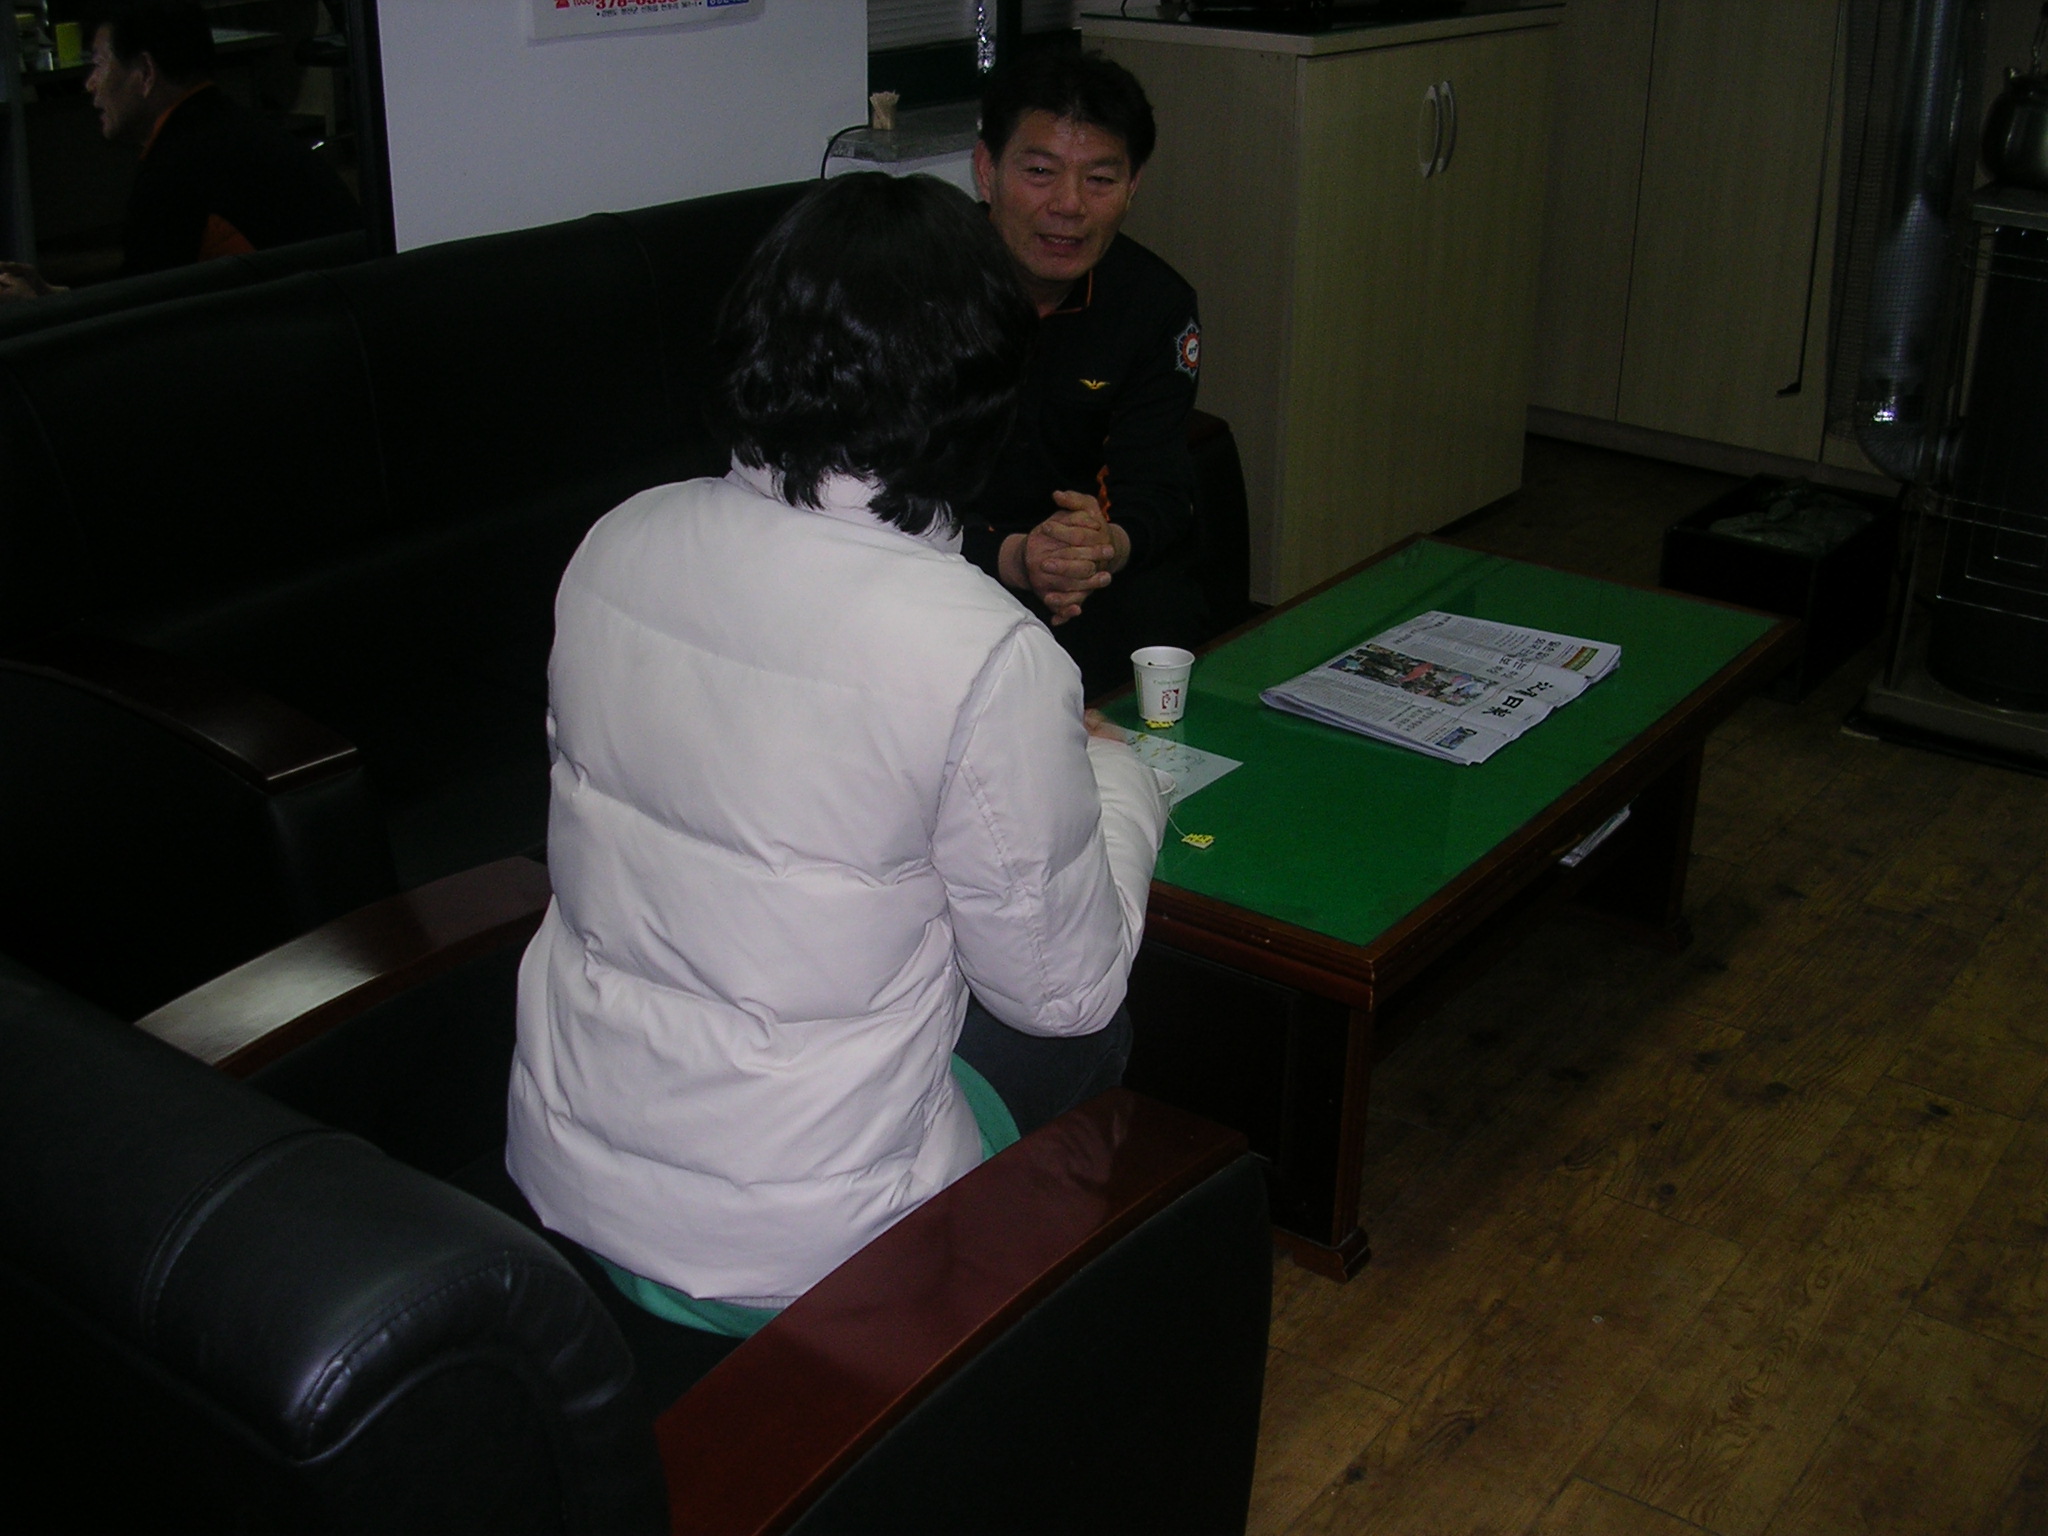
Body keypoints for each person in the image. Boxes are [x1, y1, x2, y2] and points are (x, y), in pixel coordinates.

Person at [506, 173, 1172, 1335]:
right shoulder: (978, 651)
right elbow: (1062, 996)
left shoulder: (616, 540)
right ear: (977, 388)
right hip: (807, 1251)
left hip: (573, 1176)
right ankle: (988, 1338)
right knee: (1088, 1013)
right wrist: (1118, 778)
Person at [963, 48, 1206, 696]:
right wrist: (1013, 557)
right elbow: (875, 491)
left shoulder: (1154, 304)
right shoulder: (922, 285)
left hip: (1082, 576)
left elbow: (1158, 486)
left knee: (1160, 612)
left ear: (1133, 186)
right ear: (987, 170)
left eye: (1099, 179)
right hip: (947, 561)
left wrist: (1101, 550)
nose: (1069, 205)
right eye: (1040, 172)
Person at [0, 0, 359, 301]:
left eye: (98, 64)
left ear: (145, 72)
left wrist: (41, 310)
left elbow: (139, 325)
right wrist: (57, 297)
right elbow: (142, 292)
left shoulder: (174, 174)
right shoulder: (234, 131)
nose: (90, 84)